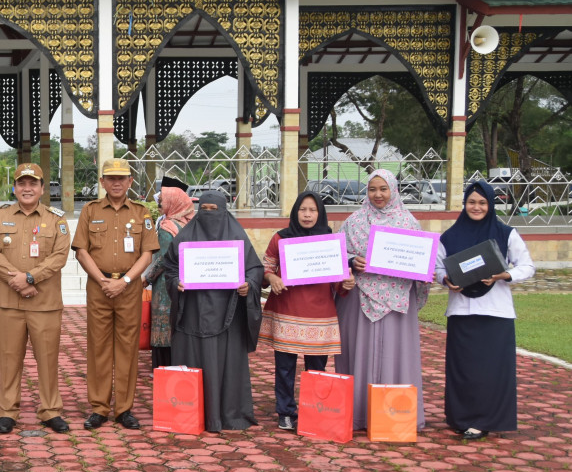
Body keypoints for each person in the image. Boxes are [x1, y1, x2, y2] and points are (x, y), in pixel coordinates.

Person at [435, 180, 533, 440]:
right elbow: (438, 268)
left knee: (490, 370)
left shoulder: (505, 233)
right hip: (461, 312)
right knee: (463, 370)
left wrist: (504, 275)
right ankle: (461, 418)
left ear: (490, 205)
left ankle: (485, 420)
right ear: (464, 203)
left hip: (495, 313)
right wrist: (446, 280)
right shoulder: (450, 236)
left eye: (482, 202)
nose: (476, 207)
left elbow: (527, 266)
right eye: (471, 202)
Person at [161, 192, 263, 432]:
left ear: (224, 211)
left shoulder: (237, 235)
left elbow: (254, 268)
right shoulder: (185, 236)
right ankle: (189, 413)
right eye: (204, 209)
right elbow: (170, 266)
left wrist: (248, 284)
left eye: (214, 209)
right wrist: (175, 281)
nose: (209, 214)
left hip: (229, 314)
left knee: (226, 363)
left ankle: (228, 414)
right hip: (192, 312)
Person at [336, 169, 429, 431]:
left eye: (383, 189)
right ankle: (358, 414)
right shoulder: (353, 221)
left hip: (396, 299)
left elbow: (420, 260)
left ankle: (393, 416)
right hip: (359, 298)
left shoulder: (409, 223)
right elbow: (337, 255)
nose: (378, 195)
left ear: (394, 190)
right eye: (372, 189)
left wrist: (425, 271)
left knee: (395, 354)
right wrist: (352, 261)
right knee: (359, 352)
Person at [0, 163, 71, 434]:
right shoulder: (0, 216)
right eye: (22, 183)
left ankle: (50, 410)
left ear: (43, 189)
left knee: (47, 358)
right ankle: (7, 411)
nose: (27, 188)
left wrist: (30, 278)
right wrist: (19, 282)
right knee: (9, 358)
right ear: (15, 188)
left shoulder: (57, 219)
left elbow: (59, 257)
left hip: (44, 302)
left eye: (33, 184)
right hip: (9, 301)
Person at [72, 158, 158, 430]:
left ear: (131, 181)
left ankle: (124, 409)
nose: (117, 182)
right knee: (98, 347)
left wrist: (127, 280)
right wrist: (102, 280)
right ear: (103, 182)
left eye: (122, 178)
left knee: (127, 348)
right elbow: (81, 250)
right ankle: (98, 408)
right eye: (111, 178)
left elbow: (147, 253)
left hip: (129, 289)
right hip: (99, 288)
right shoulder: (90, 210)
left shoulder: (142, 213)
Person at [260, 192, 354, 431]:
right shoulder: (280, 238)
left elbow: (338, 279)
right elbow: (265, 269)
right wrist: (271, 277)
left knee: (317, 369)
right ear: (295, 211)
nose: (308, 214)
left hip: (319, 315)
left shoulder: (330, 241)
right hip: (287, 311)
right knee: (284, 367)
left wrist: (346, 282)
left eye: (313, 210)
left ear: (320, 213)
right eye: (303, 209)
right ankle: (286, 411)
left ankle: (315, 410)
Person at [142, 186, 195, 370]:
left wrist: (146, 279)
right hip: (185, 281)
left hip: (165, 283)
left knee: (163, 320)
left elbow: (163, 259)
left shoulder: (167, 228)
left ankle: (162, 366)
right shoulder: (190, 225)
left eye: (163, 200)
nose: (159, 204)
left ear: (173, 202)